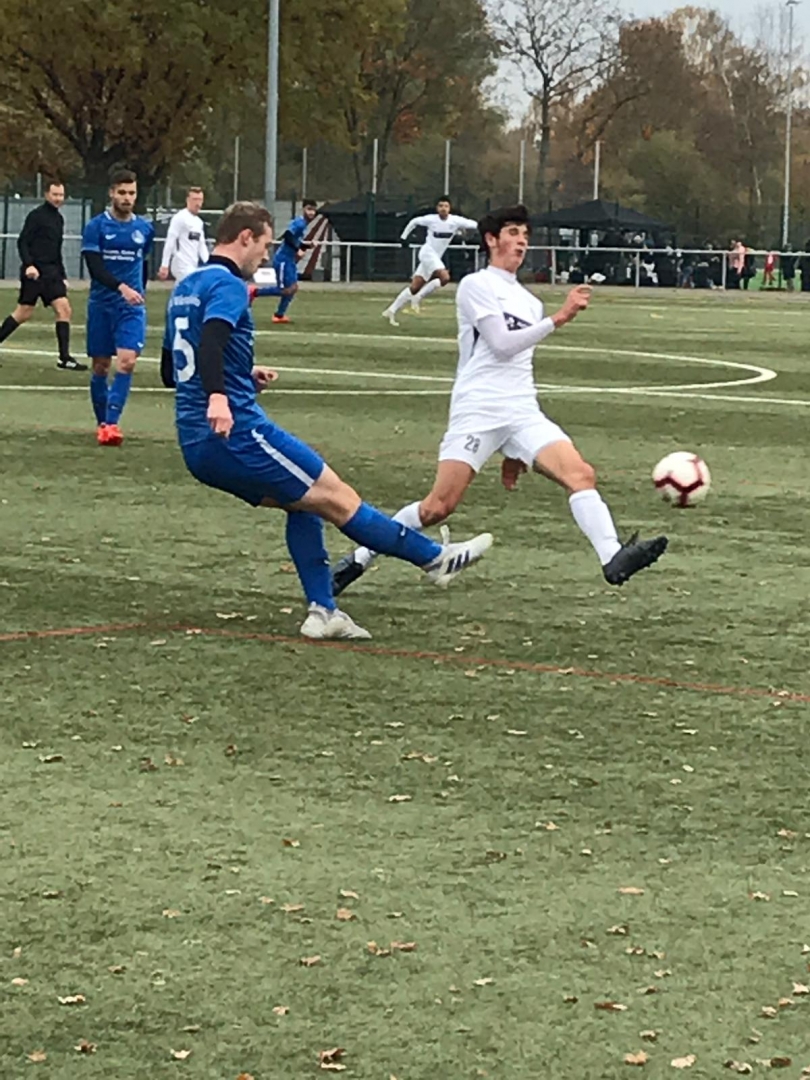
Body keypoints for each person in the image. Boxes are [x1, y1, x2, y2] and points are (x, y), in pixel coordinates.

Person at [160, 201, 493, 640]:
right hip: (236, 432)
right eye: (264, 244)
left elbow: (171, 371)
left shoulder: (186, 287)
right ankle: (433, 558)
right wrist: (221, 397)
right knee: (337, 496)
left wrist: (239, 374)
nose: (266, 254)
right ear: (244, 237)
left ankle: (324, 612)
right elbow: (212, 343)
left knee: (305, 503)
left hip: (195, 443)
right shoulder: (228, 285)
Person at [333, 204, 667, 597]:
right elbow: (502, 344)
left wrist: (516, 448)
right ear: (491, 240)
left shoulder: (530, 302)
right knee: (437, 507)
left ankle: (612, 557)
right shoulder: (477, 285)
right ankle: (360, 558)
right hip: (478, 408)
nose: (521, 241)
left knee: (581, 474)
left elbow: (520, 364)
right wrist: (560, 318)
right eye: (512, 232)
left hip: (522, 410)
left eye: (525, 234)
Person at [81, 168, 155, 446]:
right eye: (122, 192)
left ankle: (111, 424)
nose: (127, 198)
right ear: (112, 193)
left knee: (127, 361)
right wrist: (121, 287)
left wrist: (138, 292)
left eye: (131, 193)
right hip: (102, 305)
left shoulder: (144, 229)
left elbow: (142, 263)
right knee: (101, 366)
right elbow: (95, 268)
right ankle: (102, 422)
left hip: (130, 309)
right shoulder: (96, 227)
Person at [0, 180, 85, 370]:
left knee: (64, 309)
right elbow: (23, 242)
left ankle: (64, 358)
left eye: (61, 195)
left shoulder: (59, 219)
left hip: (52, 273)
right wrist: (29, 265)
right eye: (55, 195)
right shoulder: (36, 216)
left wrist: (62, 274)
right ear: (47, 195)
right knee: (23, 312)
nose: (58, 198)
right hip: (35, 274)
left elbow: (56, 249)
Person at [383, 196, 479, 326]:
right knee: (445, 277)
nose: (443, 209)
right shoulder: (431, 219)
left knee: (414, 287)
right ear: (437, 208)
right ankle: (418, 297)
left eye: (446, 206)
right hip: (427, 253)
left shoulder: (455, 221)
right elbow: (414, 221)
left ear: (450, 208)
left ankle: (391, 310)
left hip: (435, 257)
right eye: (440, 206)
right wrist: (403, 237)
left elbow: (474, 224)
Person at [270, 199, 318, 323]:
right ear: (303, 209)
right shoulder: (299, 223)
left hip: (289, 261)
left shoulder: (303, 224)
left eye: (313, 210)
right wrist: (298, 249)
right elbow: (287, 236)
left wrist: (307, 246)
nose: (311, 213)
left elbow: (295, 241)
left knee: (293, 288)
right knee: (285, 290)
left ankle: (279, 315)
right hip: (283, 260)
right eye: (309, 209)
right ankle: (254, 292)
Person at [158, 186, 209, 282]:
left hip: (193, 265)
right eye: (195, 199)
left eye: (200, 200)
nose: (198, 203)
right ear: (188, 200)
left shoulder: (199, 222)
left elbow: (201, 246)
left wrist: (209, 264)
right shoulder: (180, 218)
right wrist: (164, 265)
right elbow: (170, 241)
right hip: (180, 264)